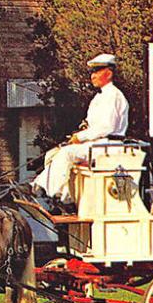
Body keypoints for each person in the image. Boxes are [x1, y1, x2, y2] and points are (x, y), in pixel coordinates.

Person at [32, 53, 129, 205]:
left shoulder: (114, 96)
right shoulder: (100, 97)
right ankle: (58, 194)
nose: (93, 76)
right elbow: (93, 125)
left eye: (97, 71)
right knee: (54, 153)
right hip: (97, 144)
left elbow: (106, 126)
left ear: (108, 73)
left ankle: (50, 194)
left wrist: (81, 138)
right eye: (93, 72)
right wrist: (79, 135)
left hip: (109, 145)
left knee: (66, 153)